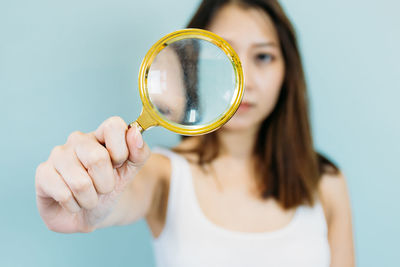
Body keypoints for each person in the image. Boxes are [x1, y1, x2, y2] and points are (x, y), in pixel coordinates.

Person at [35, 0, 355, 266]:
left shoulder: (325, 180)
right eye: (221, 55)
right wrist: (82, 204)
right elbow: (117, 199)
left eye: (263, 56)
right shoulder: (160, 173)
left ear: (288, 71)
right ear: (191, 66)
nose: (244, 82)